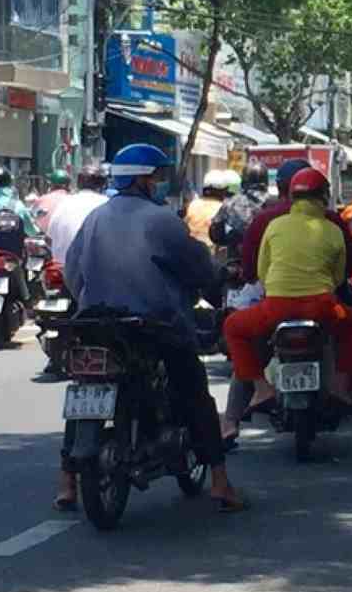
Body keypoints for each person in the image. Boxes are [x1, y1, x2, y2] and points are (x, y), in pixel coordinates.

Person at [60, 143, 247, 513]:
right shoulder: (162, 220)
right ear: (145, 180)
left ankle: (66, 482)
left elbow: (72, 272)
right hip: (153, 327)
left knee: (86, 387)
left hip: (96, 325)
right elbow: (199, 267)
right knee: (195, 390)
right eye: (158, 176)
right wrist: (214, 280)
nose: (161, 183)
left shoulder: (95, 217)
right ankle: (221, 481)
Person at [228, 159, 352, 440]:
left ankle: (260, 389)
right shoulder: (333, 227)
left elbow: (262, 271)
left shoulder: (273, 225)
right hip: (323, 306)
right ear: (324, 196)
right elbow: (339, 276)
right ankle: (341, 386)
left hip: (275, 306)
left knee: (233, 327)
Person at [44, 163, 109, 265]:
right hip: (91, 271)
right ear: (102, 184)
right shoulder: (106, 204)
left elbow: (49, 239)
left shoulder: (64, 203)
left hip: (60, 270)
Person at [208, 162, 269, 260]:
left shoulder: (231, 202)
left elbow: (215, 234)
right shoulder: (275, 202)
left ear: (244, 181)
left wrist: (233, 237)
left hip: (238, 261)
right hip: (269, 260)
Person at [183, 171, 230, 250]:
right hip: (211, 255)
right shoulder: (223, 208)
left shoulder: (193, 204)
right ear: (223, 191)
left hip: (190, 251)